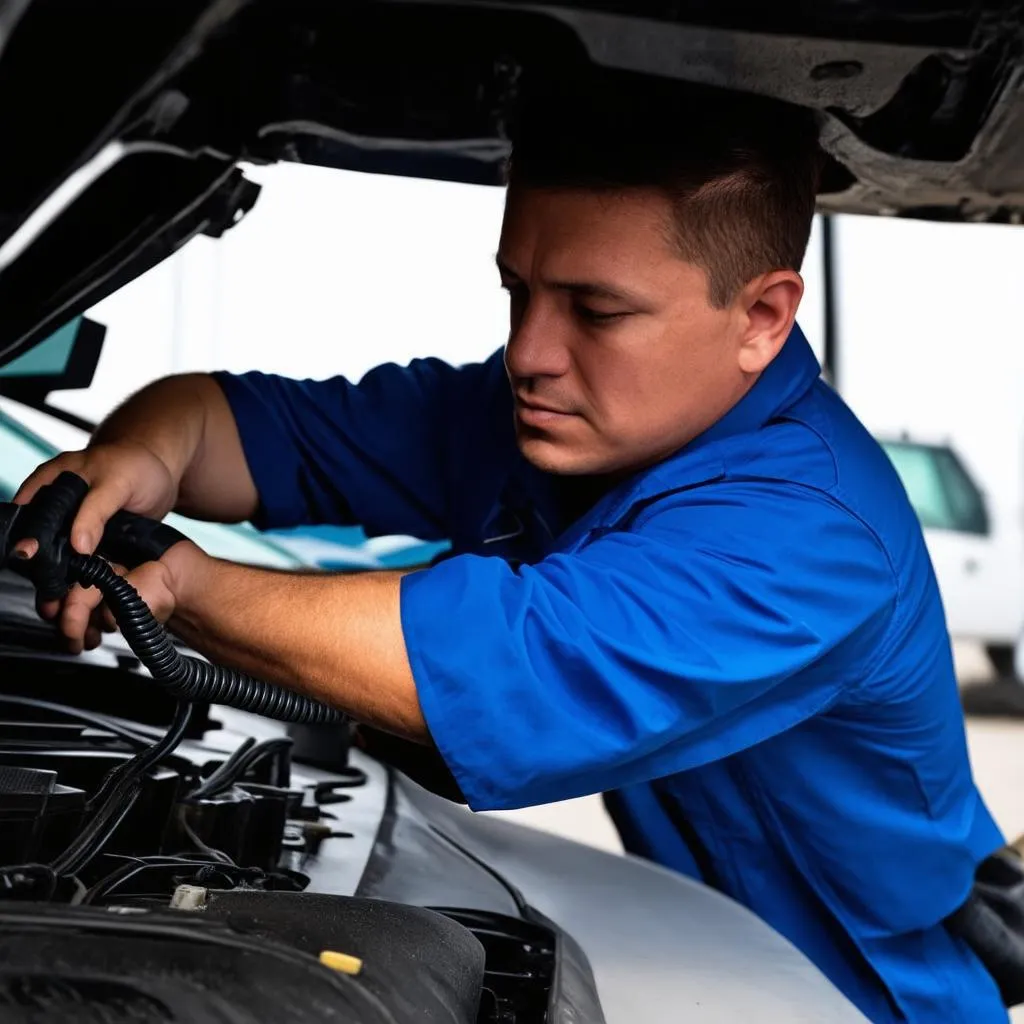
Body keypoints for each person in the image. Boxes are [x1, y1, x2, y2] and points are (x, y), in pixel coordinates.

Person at [15, 78, 1007, 1022]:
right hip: (701, 960)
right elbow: (248, 423)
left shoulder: (810, 531)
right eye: (517, 290)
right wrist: (136, 458)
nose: (529, 352)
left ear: (760, 317)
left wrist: (178, 583)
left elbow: (490, 665)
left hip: (853, 1001)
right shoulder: (545, 421)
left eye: (595, 309)